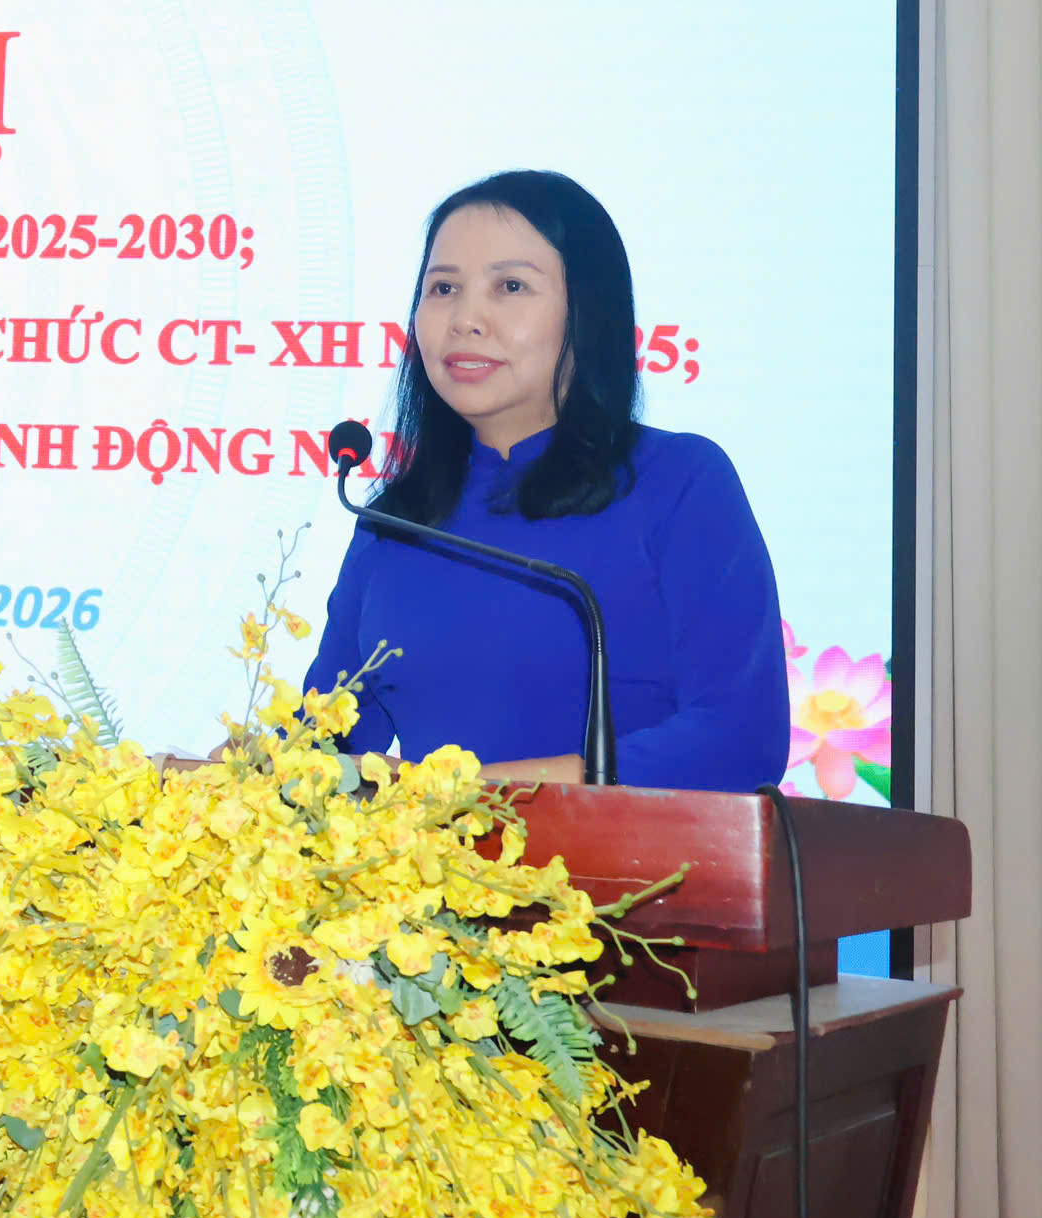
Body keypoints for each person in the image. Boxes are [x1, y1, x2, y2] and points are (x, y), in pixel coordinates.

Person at [303, 170, 788, 793]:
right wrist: (252, 769)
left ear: (586, 312)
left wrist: (468, 794)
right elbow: (327, 740)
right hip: (423, 857)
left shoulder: (678, 483)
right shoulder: (396, 520)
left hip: (629, 858)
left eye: (510, 286)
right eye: (443, 288)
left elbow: (740, 740)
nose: (465, 319)